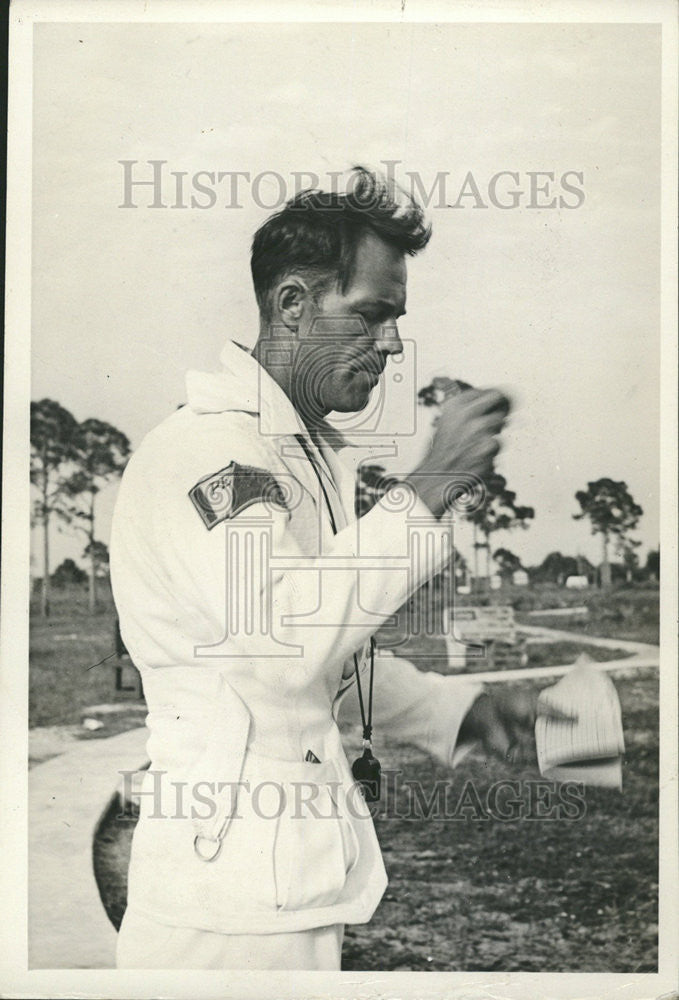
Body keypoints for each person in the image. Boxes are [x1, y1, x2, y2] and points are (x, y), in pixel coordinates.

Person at [110, 167, 557, 970]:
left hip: (274, 879)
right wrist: (428, 486)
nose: (390, 342)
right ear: (292, 304)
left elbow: (327, 661)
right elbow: (279, 644)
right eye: (371, 315)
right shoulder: (212, 451)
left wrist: (457, 711)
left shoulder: (295, 452)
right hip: (227, 907)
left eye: (395, 319)